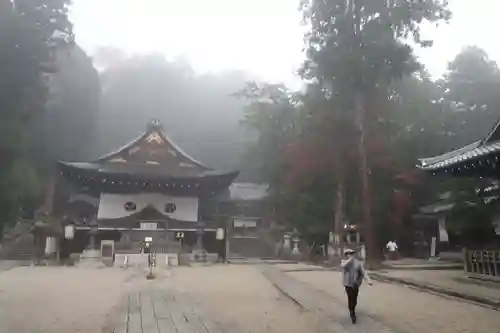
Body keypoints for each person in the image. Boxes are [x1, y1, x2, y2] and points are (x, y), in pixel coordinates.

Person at [341, 248, 372, 324]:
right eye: (348, 254)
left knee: (354, 298)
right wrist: (349, 260)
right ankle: (352, 312)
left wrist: (368, 280)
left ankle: (353, 308)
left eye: (351, 253)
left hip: (355, 284)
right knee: (350, 297)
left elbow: (363, 272)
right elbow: (343, 266)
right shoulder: (344, 262)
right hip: (348, 284)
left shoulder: (358, 263)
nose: (350, 255)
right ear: (346, 255)